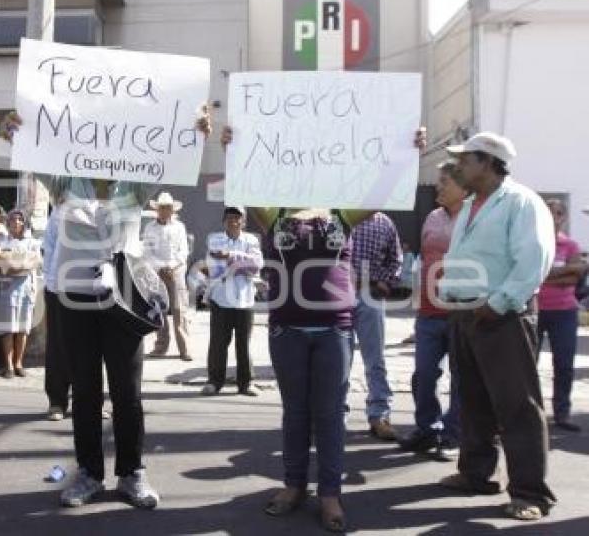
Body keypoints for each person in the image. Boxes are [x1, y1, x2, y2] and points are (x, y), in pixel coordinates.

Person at [1, 108, 210, 510]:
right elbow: (27, 150)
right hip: (76, 299)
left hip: (124, 305)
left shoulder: (134, 184)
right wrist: (12, 129)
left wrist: (194, 132)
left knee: (127, 392)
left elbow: (175, 157)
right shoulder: (65, 179)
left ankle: (132, 472)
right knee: (85, 390)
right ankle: (89, 474)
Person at [221, 125, 427, 533]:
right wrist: (230, 145)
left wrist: (410, 152)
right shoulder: (273, 213)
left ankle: (330, 493)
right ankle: (294, 485)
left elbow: (385, 190)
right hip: (287, 329)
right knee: (295, 413)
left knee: (331, 415)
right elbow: (242, 176)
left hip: (334, 329)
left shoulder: (341, 214)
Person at [438, 132, 556, 521]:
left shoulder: (520, 202)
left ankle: (530, 494)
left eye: (465, 160)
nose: (458, 167)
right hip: (465, 313)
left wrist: (499, 302)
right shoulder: (472, 204)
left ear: (488, 162)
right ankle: (475, 473)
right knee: (472, 401)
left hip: (501, 315)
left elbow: (533, 260)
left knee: (517, 406)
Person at [398, 161, 467, 460]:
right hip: (428, 313)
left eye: (444, 182)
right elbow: (422, 263)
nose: (438, 187)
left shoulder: (474, 218)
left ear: (463, 187)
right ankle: (427, 428)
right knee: (423, 375)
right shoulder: (431, 217)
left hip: (461, 313)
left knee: (461, 379)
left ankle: (452, 435)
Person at [349, 211, 403, 441]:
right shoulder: (339, 216)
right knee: (336, 360)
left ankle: (379, 415)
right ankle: (335, 415)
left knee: (375, 359)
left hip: (369, 294)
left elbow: (396, 259)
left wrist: (385, 280)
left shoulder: (384, 222)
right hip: (336, 295)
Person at [200, 206, 263, 397]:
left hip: (245, 299)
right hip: (221, 298)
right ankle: (214, 382)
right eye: (229, 218)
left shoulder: (251, 240)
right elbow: (215, 268)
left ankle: (246, 383)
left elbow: (257, 265)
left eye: (238, 218)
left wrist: (229, 257)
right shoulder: (215, 239)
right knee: (218, 343)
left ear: (243, 221)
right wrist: (242, 262)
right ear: (223, 221)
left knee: (244, 343)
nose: (233, 221)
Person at [537, 199, 585, 432]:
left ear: (563, 217)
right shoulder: (533, 242)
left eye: (555, 213)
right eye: (546, 212)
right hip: (535, 311)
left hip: (564, 312)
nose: (551, 217)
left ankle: (562, 413)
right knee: (527, 365)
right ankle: (532, 414)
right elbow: (529, 275)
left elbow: (575, 277)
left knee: (564, 365)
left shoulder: (571, 246)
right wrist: (562, 272)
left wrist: (545, 274)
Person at [0, 210, 42, 379]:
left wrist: (12, 263)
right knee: (7, 327)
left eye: (19, 219)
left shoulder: (32, 242)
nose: (16, 222)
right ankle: (8, 365)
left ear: (24, 223)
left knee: (22, 328)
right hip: (5, 289)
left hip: (26, 288)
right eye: (12, 219)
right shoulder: (1, 240)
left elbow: (34, 262)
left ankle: (18, 363)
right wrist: (15, 263)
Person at [143, 192, 192, 361]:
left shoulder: (179, 227)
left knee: (180, 311)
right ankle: (160, 347)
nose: (165, 210)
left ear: (172, 210)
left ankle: (184, 348)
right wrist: (161, 267)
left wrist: (171, 267)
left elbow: (183, 251)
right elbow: (147, 252)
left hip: (176, 272)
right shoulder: (149, 228)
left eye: (168, 208)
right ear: (157, 209)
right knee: (159, 310)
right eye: (162, 207)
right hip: (157, 273)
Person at [43, 203, 72, 420]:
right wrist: (51, 282)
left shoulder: (105, 206)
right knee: (58, 345)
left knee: (93, 350)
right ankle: (57, 401)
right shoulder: (61, 210)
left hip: (95, 287)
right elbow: (49, 247)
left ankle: (91, 401)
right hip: (59, 287)